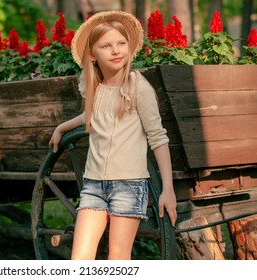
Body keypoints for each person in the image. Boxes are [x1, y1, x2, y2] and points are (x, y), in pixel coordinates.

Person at [49, 11, 178, 260]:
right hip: (94, 185)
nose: (116, 50)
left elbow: (158, 138)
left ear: (129, 48)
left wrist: (168, 189)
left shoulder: (137, 86)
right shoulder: (94, 88)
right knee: (80, 258)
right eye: (106, 46)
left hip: (129, 185)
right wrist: (61, 127)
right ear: (92, 55)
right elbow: (92, 117)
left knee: (117, 258)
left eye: (121, 43)